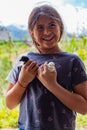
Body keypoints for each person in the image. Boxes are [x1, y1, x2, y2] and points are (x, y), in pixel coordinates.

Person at [5, 4, 87, 130]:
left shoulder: (72, 61)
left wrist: (52, 84)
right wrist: (22, 81)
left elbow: (84, 108)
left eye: (52, 25)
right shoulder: (23, 61)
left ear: (60, 27)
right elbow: (10, 104)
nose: (47, 32)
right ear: (32, 32)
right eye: (40, 27)